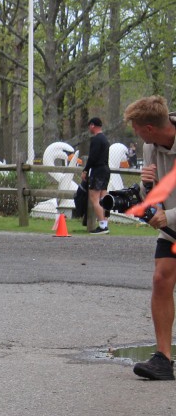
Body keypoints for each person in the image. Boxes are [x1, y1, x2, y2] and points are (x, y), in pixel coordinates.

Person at [123, 96, 176, 380]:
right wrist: (145, 186)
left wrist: (169, 216)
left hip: (172, 220)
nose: (135, 132)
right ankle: (163, 359)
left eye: (136, 127)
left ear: (149, 128)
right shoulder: (150, 147)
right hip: (172, 230)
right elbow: (153, 195)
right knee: (160, 279)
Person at [82, 117, 110, 234]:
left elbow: (92, 157)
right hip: (106, 170)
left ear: (92, 125)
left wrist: (85, 170)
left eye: (89, 126)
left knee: (94, 198)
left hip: (98, 170)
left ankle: (102, 225)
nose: (89, 128)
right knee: (104, 199)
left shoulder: (96, 140)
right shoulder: (105, 139)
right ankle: (106, 223)